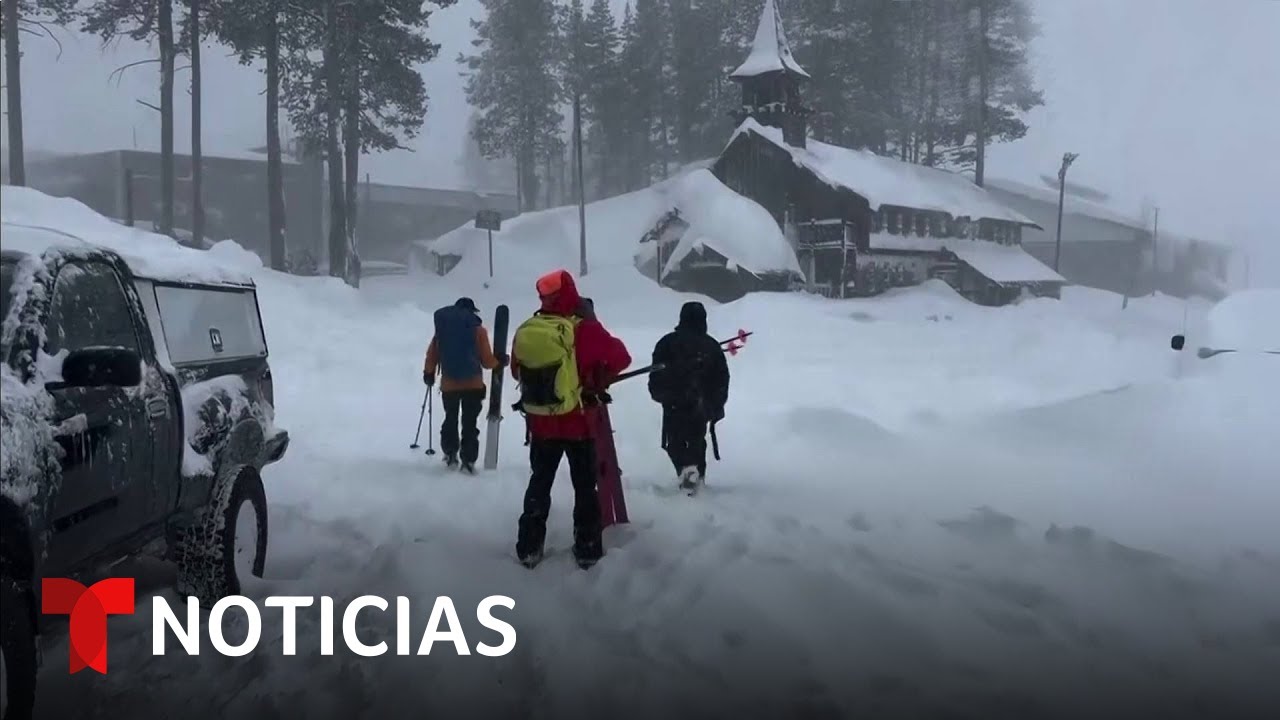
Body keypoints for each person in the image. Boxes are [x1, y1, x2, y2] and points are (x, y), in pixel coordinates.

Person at [510, 270, 631, 569]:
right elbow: (622, 358)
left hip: (542, 424)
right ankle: (587, 549)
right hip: (579, 422)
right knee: (585, 488)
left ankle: (529, 547)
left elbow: (516, 371)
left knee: (539, 483)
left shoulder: (530, 328)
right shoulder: (585, 329)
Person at [647, 301, 730, 492]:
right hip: (701, 403)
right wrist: (716, 404)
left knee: (674, 440)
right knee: (697, 439)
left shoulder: (667, 343)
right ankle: (695, 476)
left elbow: (656, 374)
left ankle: (687, 473)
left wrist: (660, 393)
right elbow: (722, 378)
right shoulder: (711, 345)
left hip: (674, 402)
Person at [423, 297, 504, 473]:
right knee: (469, 422)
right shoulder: (478, 331)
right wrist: (499, 362)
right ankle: (468, 460)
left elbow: (432, 354)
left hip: (449, 385)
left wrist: (428, 373)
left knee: (450, 418)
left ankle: (450, 452)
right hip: (473, 385)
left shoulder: (443, 330)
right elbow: (487, 361)